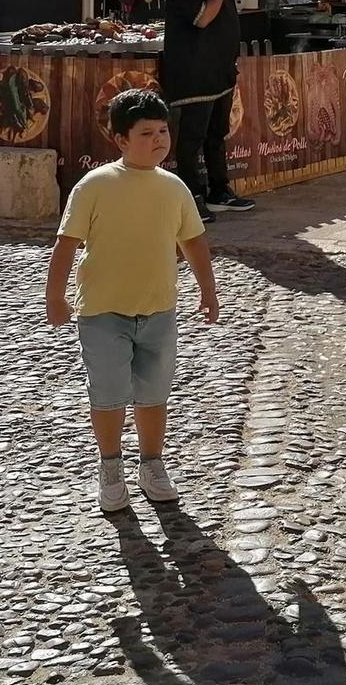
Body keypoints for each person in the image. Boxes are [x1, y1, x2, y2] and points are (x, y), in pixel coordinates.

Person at [45, 88, 220, 515]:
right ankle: (110, 466)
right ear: (120, 139)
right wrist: (56, 296)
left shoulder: (173, 188)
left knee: (154, 391)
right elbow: (66, 244)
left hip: (158, 307)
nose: (159, 140)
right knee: (108, 393)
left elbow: (193, 242)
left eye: (163, 131)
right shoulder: (96, 185)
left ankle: (152, 464)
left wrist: (207, 289)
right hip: (103, 311)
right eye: (146, 133)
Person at [162, 0, 253, 221]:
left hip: (219, 72)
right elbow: (202, 19)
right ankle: (190, 197)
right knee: (192, 138)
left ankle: (219, 190)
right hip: (193, 73)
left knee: (217, 134)